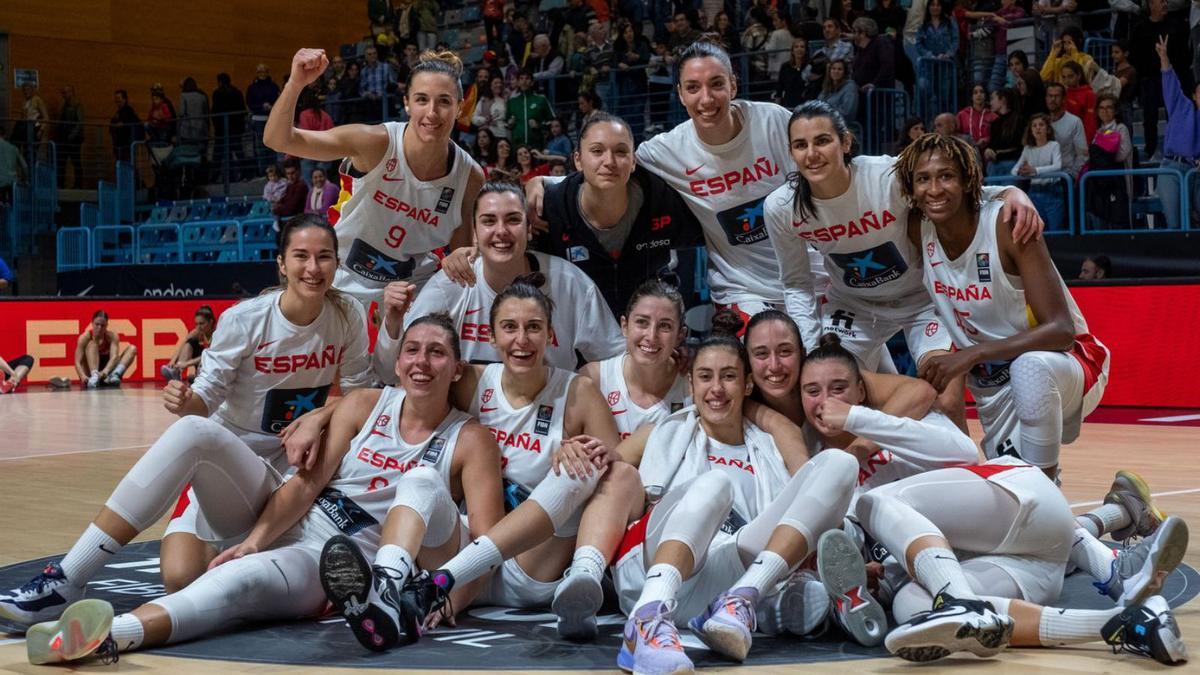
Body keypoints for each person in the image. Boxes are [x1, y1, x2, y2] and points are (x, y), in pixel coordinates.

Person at [0, 313, 499, 666]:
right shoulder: (367, 404)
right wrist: (256, 539)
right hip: (298, 519)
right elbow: (306, 487)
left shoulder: (470, 437)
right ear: (397, 362)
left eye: (437, 353)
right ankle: (71, 583)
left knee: (239, 582)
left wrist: (448, 602)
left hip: (346, 559)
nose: (421, 362)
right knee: (197, 433)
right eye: (412, 349)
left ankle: (110, 638)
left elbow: (485, 545)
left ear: (457, 369)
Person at [323, 275, 622, 649]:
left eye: (533, 328)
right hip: (468, 556)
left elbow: (618, 471)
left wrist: (579, 449)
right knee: (420, 477)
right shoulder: (473, 380)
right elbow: (404, 392)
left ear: (551, 335)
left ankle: (442, 585)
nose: (522, 340)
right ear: (492, 336)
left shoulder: (578, 391)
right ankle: (385, 590)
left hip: (528, 564)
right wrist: (320, 415)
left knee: (584, 467)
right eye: (509, 328)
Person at [560, 331, 857, 670]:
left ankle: (744, 599)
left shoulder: (770, 443)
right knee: (716, 484)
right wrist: (575, 453)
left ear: (747, 385)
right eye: (705, 377)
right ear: (691, 384)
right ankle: (647, 618)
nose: (716, 388)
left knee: (840, 463)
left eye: (728, 377)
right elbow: (608, 475)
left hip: (727, 572)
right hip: (656, 564)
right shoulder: (662, 431)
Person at [762, 100, 1042, 425]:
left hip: (920, 299)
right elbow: (796, 284)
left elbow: (945, 193)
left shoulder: (886, 175)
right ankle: (871, 470)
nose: (812, 153)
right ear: (791, 152)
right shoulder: (781, 207)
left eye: (822, 140)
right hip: (854, 306)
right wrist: (811, 351)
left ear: (846, 142)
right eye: (801, 145)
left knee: (946, 398)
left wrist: (1008, 193)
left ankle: (959, 473)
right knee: (831, 393)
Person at [529, 40, 802, 331]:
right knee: (773, 356)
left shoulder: (774, 121)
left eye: (717, 84)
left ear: (733, 86)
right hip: (744, 287)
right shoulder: (666, 150)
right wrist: (540, 182)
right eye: (693, 87)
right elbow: (606, 170)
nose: (706, 99)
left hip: (810, 271)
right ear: (681, 95)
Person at [897, 133, 1108, 479]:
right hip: (994, 385)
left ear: (967, 180)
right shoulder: (917, 228)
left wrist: (972, 354)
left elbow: (1061, 331)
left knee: (1030, 370)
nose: (934, 189)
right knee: (1012, 503)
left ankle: (1048, 484)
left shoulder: (1009, 225)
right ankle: (1121, 512)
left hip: (1067, 363)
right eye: (923, 179)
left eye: (946, 176)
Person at [857, 459, 1186, 664]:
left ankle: (1111, 560)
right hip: (1033, 563)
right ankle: (1129, 619)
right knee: (912, 608)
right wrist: (883, 580)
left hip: (1021, 493)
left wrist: (862, 425)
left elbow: (953, 443)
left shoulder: (859, 466)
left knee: (874, 502)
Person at [265, 48, 484, 307]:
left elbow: (460, 254)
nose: (432, 112)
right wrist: (295, 83)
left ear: (460, 108)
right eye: (422, 99)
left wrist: (470, 254)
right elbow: (278, 140)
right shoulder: (375, 143)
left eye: (445, 101)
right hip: (341, 279)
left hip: (410, 294)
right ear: (406, 103)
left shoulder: (469, 176)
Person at [380, 183, 623, 370]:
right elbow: (392, 371)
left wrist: (582, 391)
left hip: (548, 421)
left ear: (529, 229)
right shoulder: (451, 284)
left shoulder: (569, 282)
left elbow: (616, 360)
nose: (501, 231)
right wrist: (392, 322)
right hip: (470, 423)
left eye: (513, 220)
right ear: (474, 232)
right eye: (488, 221)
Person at [534, 113, 704, 316]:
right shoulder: (550, 209)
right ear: (578, 160)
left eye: (621, 152)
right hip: (579, 336)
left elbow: (714, 232)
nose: (610, 161)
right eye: (597, 151)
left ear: (633, 162)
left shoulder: (661, 198)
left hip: (647, 333)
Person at [580, 280, 693, 439]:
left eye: (665, 326)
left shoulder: (694, 386)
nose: (651, 336)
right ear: (624, 326)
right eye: (642, 322)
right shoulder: (593, 378)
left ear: (680, 336)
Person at [1153, 35, 1200, 230]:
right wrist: (1164, 57)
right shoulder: (1181, 106)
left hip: (1196, 171)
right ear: (1194, 96)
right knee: (1174, 223)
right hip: (1171, 168)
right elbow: (1170, 84)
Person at [1085, 94, 1134, 228]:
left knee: (1119, 223)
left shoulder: (1121, 128)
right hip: (1101, 185)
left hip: (1119, 182)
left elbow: (1123, 153)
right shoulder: (1098, 132)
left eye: (1109, 108)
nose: (1105, 111)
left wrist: (1101, 155)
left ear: (1115, 110)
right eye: (1101, 108)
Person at [1012, 114, 1065, 230]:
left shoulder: (1054, 146)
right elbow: (1014, 171)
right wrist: (1022, 171)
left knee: (1056, 230)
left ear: (1048, 129)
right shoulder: (1027, 149)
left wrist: (1034, 170)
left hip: (1052, 191)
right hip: (1034, 193)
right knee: (1037, 233)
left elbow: (1058, 166)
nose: (1038, 128)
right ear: (1031, 130)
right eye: (1034, 126)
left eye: (1041, 125)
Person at [68, 310, 138, 388]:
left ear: (107, 325)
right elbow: (77, 361)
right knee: (92, 344)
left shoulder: (112, 336)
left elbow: (114, 357)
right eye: (97, 324)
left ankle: (115, 375)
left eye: (103, 325)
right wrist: (82, 376)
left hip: (106, 373)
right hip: (90, 372)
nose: (99, 328)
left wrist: (104, 372)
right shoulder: (84, 338)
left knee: (132, 348)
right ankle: (94, 378)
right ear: (92, 323)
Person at [160, 305, 216, 382]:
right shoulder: (197, 332)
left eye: (201, 323)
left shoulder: (217, 335)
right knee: (188, 344)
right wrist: (172, 361)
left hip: (213, 370)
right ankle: (176, 371)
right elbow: (183, 345)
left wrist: (186, 364)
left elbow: (208, 356)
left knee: (205, 356)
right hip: (199, 366)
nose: (198, 327)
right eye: (196, 324)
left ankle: (198, 377)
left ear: (211, 322)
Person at [1045, 82, 1088, 178]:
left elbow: (1082, 154)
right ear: (1046, 98)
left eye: (1057, 96)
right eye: (1050, 96)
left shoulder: (1074, 122)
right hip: (1043, 177)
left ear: (1064, 99)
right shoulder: (1040, 123)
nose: (1053, 99)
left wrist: (1072, 175)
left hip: (1065, 176)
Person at [211, 73, 248, 181]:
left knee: (218, 155)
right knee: (238, 152)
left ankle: (215, 176)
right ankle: (244, 174)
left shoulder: (217, 93)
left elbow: (215, 112)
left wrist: (216, 126)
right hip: (236, 129)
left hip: (221, 130)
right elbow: (242, 110)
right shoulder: (237, 93)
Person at [507, 69, 556, 150]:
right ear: (518, 82)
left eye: (527, 78)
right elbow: (506, 123)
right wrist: (510, 123)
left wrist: (539, 125)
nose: (524, 81)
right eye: (521, 79)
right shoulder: (512, 102)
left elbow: (552, 121)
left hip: (537, 145)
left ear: (532, 82)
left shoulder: (541, 99)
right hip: (517, 146)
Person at [247, 63, 281, 172]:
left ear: (267, 72)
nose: (261, 74)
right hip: (258, 119)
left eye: (264, 72)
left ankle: (275, 170)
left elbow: (279, 100)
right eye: (259, 72)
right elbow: (249, 103)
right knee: (260, 146)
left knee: (273, 145)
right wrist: (261, 107)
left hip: (272, 118)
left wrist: (272, 106)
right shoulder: (252, 87)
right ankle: (263, 171)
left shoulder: (273, 86)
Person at [985, 88, 1026, 174]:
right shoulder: (995, 123)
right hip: (994, 165)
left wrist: (997, 153)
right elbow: (992, 144)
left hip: (1011, 164)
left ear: (1003, 99)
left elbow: (1019, 147)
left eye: (993, 99)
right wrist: (988, 150)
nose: (990, 103)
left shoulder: (1018, 121)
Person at [850, 18, 896, 92]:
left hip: (879, 94)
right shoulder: (860, 48)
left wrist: (874, 84)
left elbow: (887, 66)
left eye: (854, 31)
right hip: (862, 93)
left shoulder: (881, 42)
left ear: (863, 33)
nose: (853, 35)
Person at [1061, 61, 1098, 142]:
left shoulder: (1089, 94)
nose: (1066, 80)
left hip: (1081, 140)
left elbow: (1090, 123)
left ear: (1079, 76)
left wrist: (1086, 144)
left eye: (1070, 76)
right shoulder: (1063, 93)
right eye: (1064, 77)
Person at [56, 85, 84, 188]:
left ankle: (78, 185)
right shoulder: (64, 106)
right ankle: (60, 184)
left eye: (67, 92)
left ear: (72, 92)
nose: (65, 95)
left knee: (76, 162)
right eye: (63, 92)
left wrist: (72, 136)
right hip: (64, 138)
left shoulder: (77, 105)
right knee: (62, 163)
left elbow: (80, 122)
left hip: (73, 139)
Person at [776, 38, 812, 110]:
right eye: (796, 47)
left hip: (806, 106)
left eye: (802, 47)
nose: (799, 49)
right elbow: (780, 88)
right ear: (792, 51)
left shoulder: (811, 66)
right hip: (789, 104)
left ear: (806, 50)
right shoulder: (785, 67)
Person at [958, 83, 997, 150]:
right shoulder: (962, 115)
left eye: (981, 92)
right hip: (967, 150)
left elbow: (998, 136)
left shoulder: (993, 116)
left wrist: (986, 140)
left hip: (988, 151)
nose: (979, 95)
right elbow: (957, 134)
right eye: (975, 93)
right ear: (971, 97)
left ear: (985, 96)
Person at [472, 75, 511, 140]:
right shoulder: (483, 100)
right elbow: (474, 118)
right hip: (488, 136)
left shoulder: (505, 99)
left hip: (503, 134)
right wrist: (484, 119)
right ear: (490, 85)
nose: (499, 85)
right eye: (496, 83)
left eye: (500, 83)